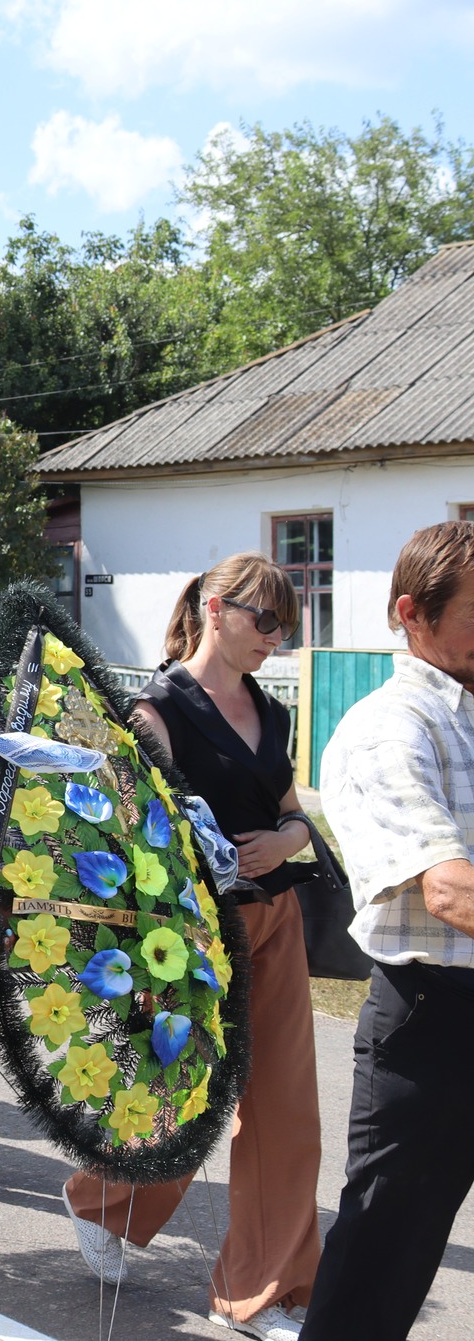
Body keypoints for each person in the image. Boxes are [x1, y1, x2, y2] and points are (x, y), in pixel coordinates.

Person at [53, 556, 318, 1338]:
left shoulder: (273, 712)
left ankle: (262, 1293)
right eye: (263, 619)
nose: (276, 637)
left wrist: (282, 840)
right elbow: (129, 828)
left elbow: (296, 812)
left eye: (286, 625)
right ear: (214, 606)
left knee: (284, 1110)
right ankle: (100, 1199)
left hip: (275, 918)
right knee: (184, 1097)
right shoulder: (157, 706)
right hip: (190, 934)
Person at [302, 522, 474, 1341]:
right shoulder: (390, 725)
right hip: (435, 1020)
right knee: (384, 1255)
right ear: (414, 612)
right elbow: (449, 889)